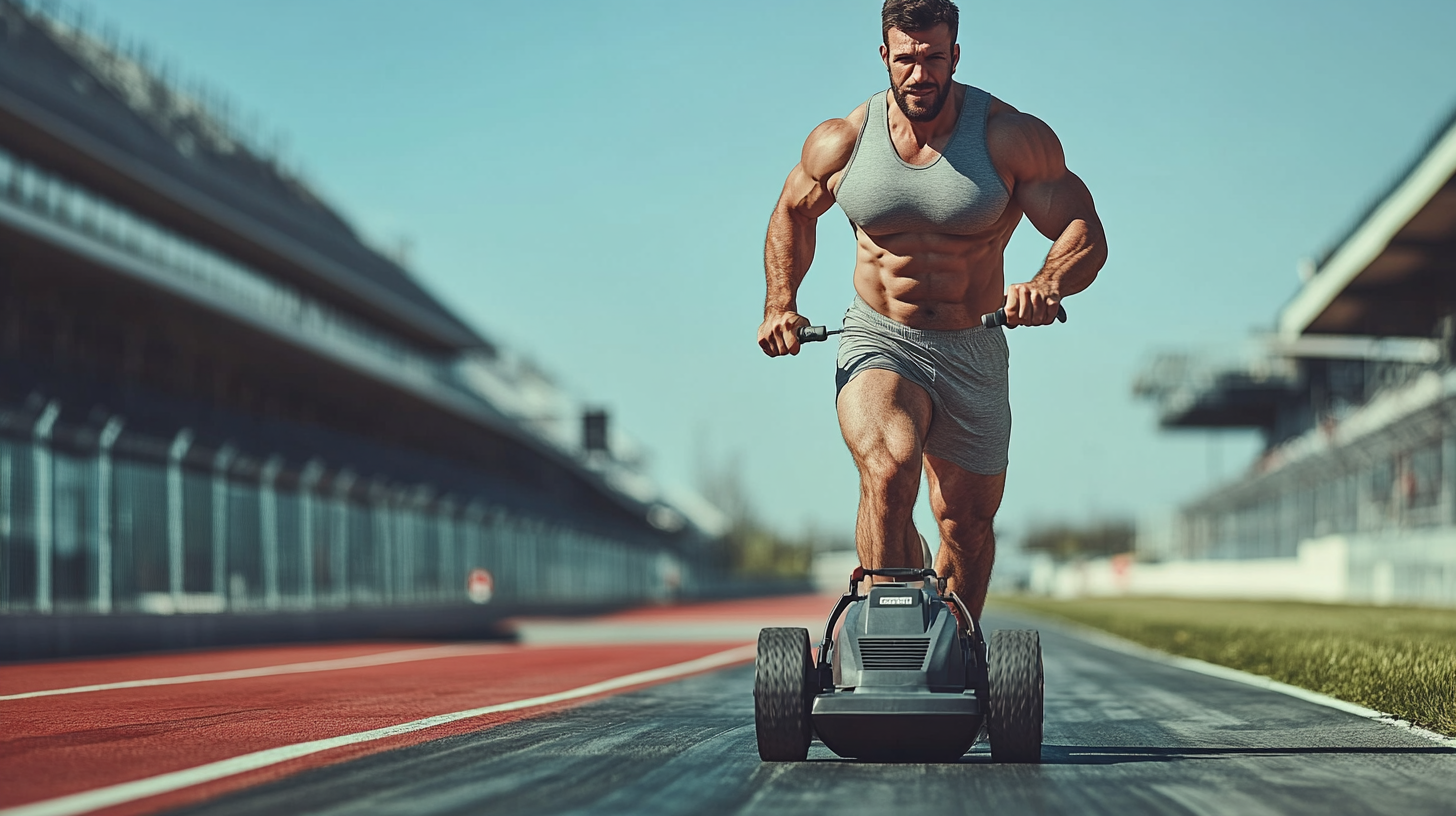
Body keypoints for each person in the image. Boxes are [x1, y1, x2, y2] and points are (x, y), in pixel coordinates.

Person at [757, 0, 1106, 619]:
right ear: (886, 55)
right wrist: (780, 303)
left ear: (955, 56)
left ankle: (957, 659)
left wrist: (1046, 283)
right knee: (888, 472)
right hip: (878, 335)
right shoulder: (843, 141)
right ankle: (891, 642)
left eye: (935, 58)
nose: (922, 74)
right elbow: (792, 211)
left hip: (973, 344)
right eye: (909, 59)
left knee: (965, 525)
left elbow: (1084, 227)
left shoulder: (1008, 137)